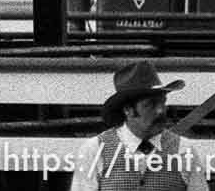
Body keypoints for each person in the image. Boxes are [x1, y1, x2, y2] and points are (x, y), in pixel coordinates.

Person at [66, 63, 204, 191]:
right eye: (150, 105)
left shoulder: (185, 151)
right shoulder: (95, 150)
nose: (161, 110)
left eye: (163, 102)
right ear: (128, 110)